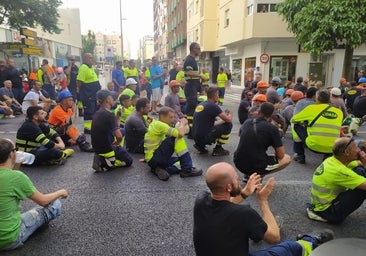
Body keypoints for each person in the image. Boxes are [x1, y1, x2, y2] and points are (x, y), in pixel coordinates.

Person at [193, 162, 334, 256]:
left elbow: (226, 204)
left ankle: (258, 230)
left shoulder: (201, 199)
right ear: (229, 187)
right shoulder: (243, 214)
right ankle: (312, 242)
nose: (238, 180)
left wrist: (245, 193)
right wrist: (263, 200)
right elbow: (274, 237)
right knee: (288, 247)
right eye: (236, 179)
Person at [0, 138, 68, 251]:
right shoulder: (17, 178)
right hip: (9, 239)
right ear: (12, 154)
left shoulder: (13, 175)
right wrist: (60, 192)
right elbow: (43, 201)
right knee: (54, 205)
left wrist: (16, 163)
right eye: (15, 150)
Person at [307, 137, 366, 224]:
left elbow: (360, 164)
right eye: (356, 148)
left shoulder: (334, 159)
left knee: (359, 170)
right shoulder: (339, 171)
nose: (359, 150)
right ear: (347, 152)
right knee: (362, 190)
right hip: (328, 212)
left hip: (321, 204)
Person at [234, 102, 291, 180]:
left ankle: (248, 175)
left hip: (238, 162)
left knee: (253, 153)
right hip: (257, 164)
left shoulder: (247, 122)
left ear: (259, 111)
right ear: (272, 115)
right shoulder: (272, 129)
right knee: (287, 158)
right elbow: (281, 155)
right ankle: (258, 176)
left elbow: (240, 135)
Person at [144, 106, 203, 181]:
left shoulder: (155, 123)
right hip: (155, 158)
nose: (172, 120)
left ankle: (164, 170)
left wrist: (147, 158)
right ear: (162, 116)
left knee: (180, 161)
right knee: (177, 138)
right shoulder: (161, 125)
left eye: (173, 117)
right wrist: (182, 123)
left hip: (152, 159)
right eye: (170, 117)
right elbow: (180, 134)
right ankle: (187, 170)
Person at [91, 90, 133, 172]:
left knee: (123, 130)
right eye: (111, 97)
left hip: (97, 148)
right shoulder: (109, 114)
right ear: (107, 100)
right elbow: (119, 136)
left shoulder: (97, 113)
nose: (113, 99)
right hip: (108, 148)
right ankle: (106, 162)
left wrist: (118, 118)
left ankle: (105, 159)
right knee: (129, 161)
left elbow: (112, 128)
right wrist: (118, 143)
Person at [192, 86, 233, 156]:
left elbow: (211, 123)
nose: (218, 96)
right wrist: (230, 113)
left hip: (196, 137)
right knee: (229, 125)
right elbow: (228, 120)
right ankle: (218, 148)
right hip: (204, 137)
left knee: (216, 120)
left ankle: (200, 145)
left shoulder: (201, 104)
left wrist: (222, 120)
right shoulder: (213, 106)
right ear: (215, 95)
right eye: (218, 94)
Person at [184, 42, 208, 136]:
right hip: (190, 86)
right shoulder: (189, 60)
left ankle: (190, 129)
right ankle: (190, 131)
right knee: (191, 108)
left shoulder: (193, 60)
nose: (199, 50)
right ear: (193, 49)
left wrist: (200, 87)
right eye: (198, 48)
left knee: (191, 107)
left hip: (194, 85)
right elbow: (188, 72)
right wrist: (200, 75)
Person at [76, 53, 102, 134]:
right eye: (90, 58)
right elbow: (79, 81)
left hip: (93, 94)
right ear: (85, 59)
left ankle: (93, 126)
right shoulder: (83, 67)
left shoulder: (90, 68)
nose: (92, 60)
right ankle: (87, 128)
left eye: (92, 58)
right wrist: (80, 91)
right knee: (89, 112)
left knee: (94, 111)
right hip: (88, 94)